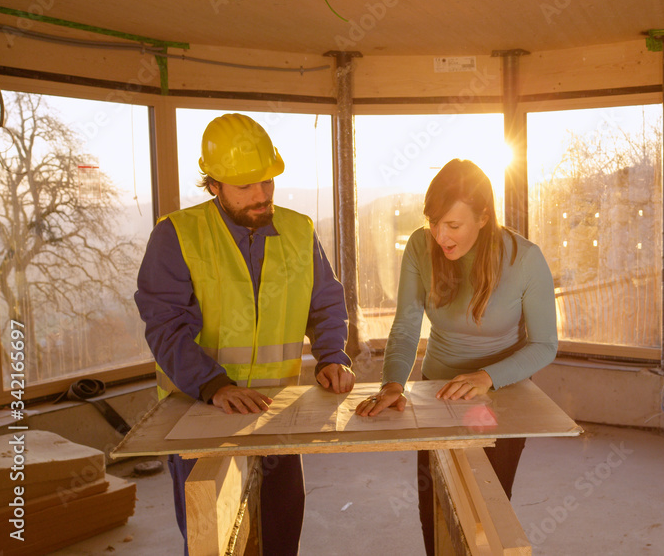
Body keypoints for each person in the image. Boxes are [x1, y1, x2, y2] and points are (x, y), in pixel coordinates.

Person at [134, 113, 353, 556]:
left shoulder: (299, 231)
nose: (261, 196)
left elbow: (325, 301)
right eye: (245, 186)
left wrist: (332, 357)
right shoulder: (176, 235)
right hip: (199, 412)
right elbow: (165, 324)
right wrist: (214, 385)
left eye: (267, 182)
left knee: (280, 532)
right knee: (212, 538)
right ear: (213, 184)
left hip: (276, 411)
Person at [354, 158, 558, 555]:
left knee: (484, 518)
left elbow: (544, 345)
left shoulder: (525, 259)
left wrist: (486, 377)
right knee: (436, 512)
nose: (440, 235)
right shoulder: (420, 245)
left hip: (503, 395)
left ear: (484, 217)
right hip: (436, 394)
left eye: (453, 225)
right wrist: (393, 383)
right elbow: (407, 324)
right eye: (433, 222)